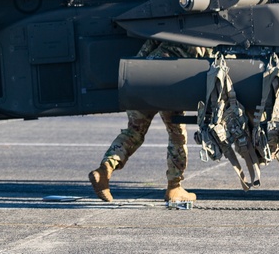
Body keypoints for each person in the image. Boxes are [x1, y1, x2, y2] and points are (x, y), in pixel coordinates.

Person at [88, 39, 210, 203]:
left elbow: (149, 44)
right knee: (176, 135)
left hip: (144, 74)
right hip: (168, 79)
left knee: (134, 131)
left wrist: (136, 74)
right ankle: (174, 188)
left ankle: (104, 170)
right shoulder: (206, 36)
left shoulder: (172, 27)